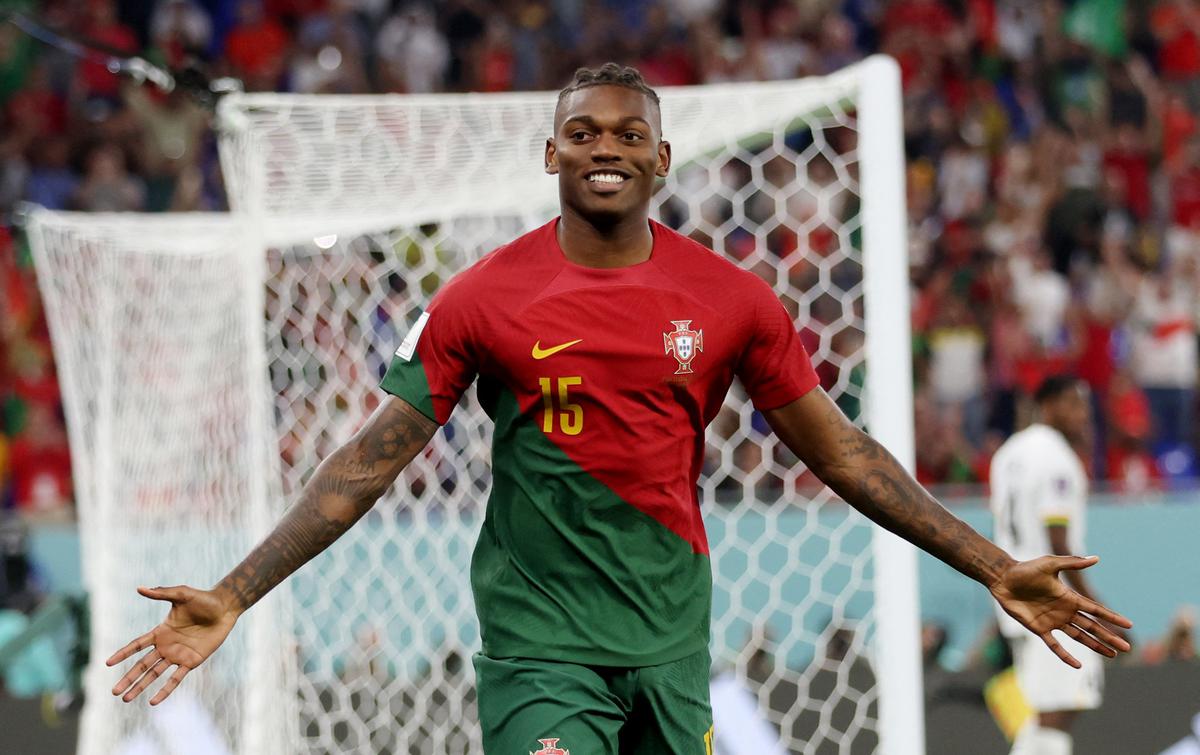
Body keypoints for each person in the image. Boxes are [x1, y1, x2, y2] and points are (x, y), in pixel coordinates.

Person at [106, 64, 1132, 753]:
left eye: (629, 133)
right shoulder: (480, 297)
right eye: (583, 132)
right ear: (551, 156)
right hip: (539, 646)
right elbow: (369, 460)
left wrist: (995, 566)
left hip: (672, 639)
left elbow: (847, 457)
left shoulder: (733, 300)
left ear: (661, 160)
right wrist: (236, 592)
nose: (607, 146)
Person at [990, 375, 1128, 755]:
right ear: (1046, 405)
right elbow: (1059, 544)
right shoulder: (1059, 460)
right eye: (1072, 403)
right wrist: (1097, 609)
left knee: (1042, 706)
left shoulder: (1008, 453)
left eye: (1084, 404)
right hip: (1052, 598)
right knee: (1059, 708)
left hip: (1012, 594)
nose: (1082, 414)